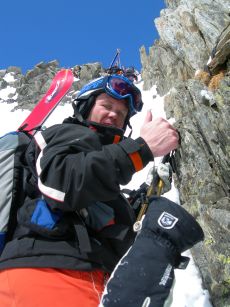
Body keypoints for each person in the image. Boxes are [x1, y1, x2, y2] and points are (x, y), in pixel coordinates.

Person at [0, 73, 200, 307]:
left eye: (122, 113)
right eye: (106, 105)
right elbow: (62, 183)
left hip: (46, 273)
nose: (114, 114)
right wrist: (142, 149)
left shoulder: (95, 168)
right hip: (57, 272)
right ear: (85, 107)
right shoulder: (71, 133)